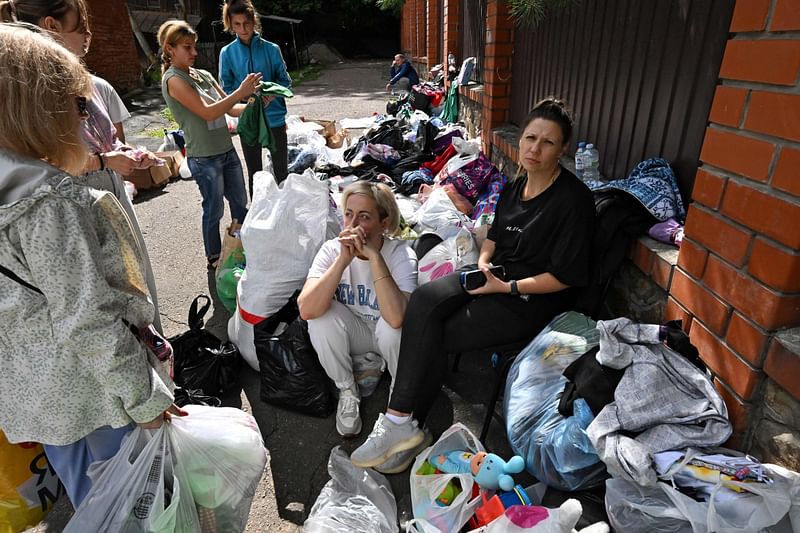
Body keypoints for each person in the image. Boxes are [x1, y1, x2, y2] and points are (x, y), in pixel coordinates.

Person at [350, 97, 596, 471]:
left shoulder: (573, 200)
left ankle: (404, 424)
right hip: (494, 276)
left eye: (547, 142)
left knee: (439, 332)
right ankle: (404, 424)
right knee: (425, 300)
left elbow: (564, 277)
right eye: (530, 137)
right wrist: (483, 263)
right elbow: (494, 237)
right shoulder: (517, 186)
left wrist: (506, 288)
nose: (534, 148)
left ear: (563, 148)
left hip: (531, 298)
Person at [0, 23, 184, 509]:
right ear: (39, 110)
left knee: (94, 505)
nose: (85, 118)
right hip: (97, 397)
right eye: (79, 105)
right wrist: (145, 398)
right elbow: (88, 317)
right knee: (134, 505)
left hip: (40, 399)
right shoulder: (47, 201)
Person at [4, 0, 165, 332]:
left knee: (137, 290)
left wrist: (130, 156)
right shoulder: (33, 98)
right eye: (82, 30)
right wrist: (105, 161)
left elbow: (109, 140)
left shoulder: (94, 85)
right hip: (81, 202)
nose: (88, 38)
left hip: (109, 193)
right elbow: (43, 164)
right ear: (51, 25)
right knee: (112, 306)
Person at [298, 183, 418, 445]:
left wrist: (374, 258)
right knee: (320, 318)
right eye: (349, 214)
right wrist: (343, 260)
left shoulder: (401, 254)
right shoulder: (332, 250)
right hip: (357, 331)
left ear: (384, 223)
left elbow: (398, 317)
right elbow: (306, 308)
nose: (352, 224)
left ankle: (399, 400)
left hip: (387, 334)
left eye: (364, 217)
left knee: (393, 326)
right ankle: (348, 390)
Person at [158, 19, 261, 268]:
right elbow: (207, 112)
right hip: (204, 158)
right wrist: (240, 91)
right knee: (213, 210)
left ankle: (241, 247)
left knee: (240, 203)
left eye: (194, 46)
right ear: (170, 49)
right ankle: (214, 257)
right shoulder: (174, 80)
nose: (194, 52)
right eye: (187, 47)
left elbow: (230, 109)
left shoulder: (203, 75)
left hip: (226, 151)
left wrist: (253, 102)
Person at [219, 0, 292, 193]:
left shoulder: (271, 49)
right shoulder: (226, 53)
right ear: (230, 24)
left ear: (254, 21)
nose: (243, 29)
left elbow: (285, 81)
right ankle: (258, 218)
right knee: (254, 173)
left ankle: (285, 217)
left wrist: (271, 95)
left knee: (281, 172)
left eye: (246, 23)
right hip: (249, 120)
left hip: (274, 119)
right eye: (237, 24)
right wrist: (244, 96)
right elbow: (225, 90)